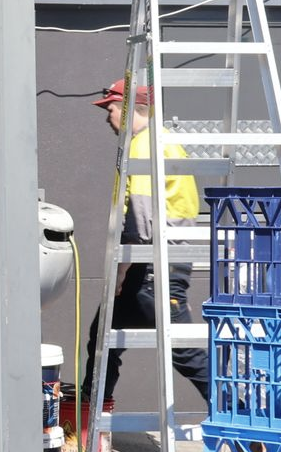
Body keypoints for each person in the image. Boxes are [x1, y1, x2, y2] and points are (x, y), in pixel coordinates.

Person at [78, 78, 212, 416]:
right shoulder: (164, 142)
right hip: (156, 264)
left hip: (152, 265)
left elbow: (142, 217)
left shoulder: (143, 145)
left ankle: (239, 413)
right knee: (103, 340)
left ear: (128, 110)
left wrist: (123, 267)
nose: (106, 117)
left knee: (184, 351)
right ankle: (88, 422)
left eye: (109, 109)